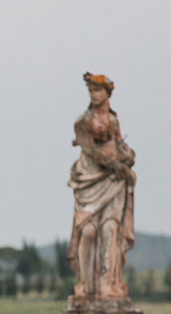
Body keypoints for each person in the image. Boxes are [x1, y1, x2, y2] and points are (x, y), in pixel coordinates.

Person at [67, 72, 136, 300]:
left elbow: (118, 144)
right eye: (90, 91)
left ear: (107, 93)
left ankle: (108, 285)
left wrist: (127, 156)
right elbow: (91, 151)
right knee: (88, 232)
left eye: (97, 90)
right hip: (90, 179)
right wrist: (118, 165)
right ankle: (86, 284)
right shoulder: (83, 121)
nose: (94, 95)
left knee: (110, 230)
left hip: (113, 181)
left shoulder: (114, 120)